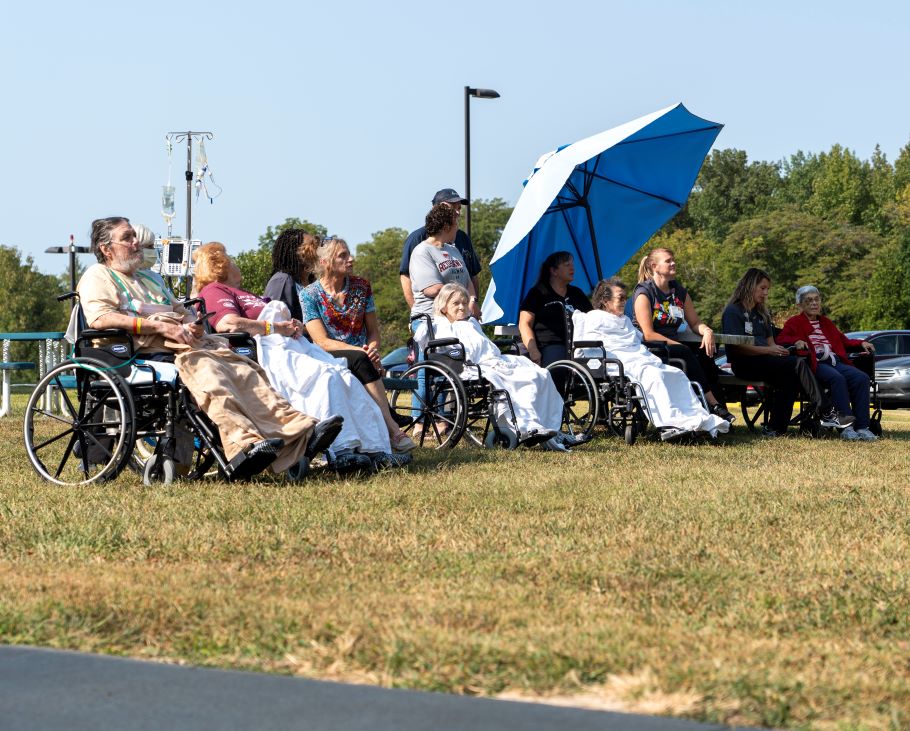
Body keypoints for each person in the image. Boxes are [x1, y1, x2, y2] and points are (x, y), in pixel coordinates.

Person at [77, 217, 342, 481]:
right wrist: (157, 327)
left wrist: (195, 325)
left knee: (246, 369)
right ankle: (244, 445)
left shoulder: (151, 279)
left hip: (184, 345)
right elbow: (100, 319)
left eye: (134, 236)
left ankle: (298, 434)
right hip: (136, 353)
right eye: (127, 238)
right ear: (106, 248)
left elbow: (185, 312)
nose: (136, 242)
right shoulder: (98, 276)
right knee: (209, 373)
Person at [194, 242, 411, 471]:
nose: (234, 263)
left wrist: (293, 325)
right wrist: (275, 328)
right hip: (267, 350)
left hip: (291, 343)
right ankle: (341, 451)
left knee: (345, 377)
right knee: (326, 377)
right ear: (220, 266)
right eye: (230, 259)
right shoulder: (215, 290)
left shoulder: (245, 294)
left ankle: (374, 449)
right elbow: (228, 323)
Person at [574, 278, 730, 441]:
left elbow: (639, 338)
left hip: (638, 357)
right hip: (617, 360)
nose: (624, 302)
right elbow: (587, 347)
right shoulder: (592, 318)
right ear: (605, 301)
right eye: (620, 297)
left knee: (675, 374)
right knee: (653, 376)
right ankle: (670, 423)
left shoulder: (625, 320)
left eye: (625, 298)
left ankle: (693, 419)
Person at [423, 283, 573, 451]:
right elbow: (455, 352)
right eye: (456, 303)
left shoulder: (471, 323)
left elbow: (486, 346)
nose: (462, 307)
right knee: (524, 380)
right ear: (443, 307)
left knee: (542, 374)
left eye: (465, 303)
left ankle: (552, 429)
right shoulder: (442, 326)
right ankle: (528, 426)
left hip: (494, 360)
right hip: (471, 367)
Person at [300, 237, 416, 453]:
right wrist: (363, 352)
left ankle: (385, 432)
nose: (351, 259)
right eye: (343, 255)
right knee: (361, 359)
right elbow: (322, 342)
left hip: (362, 357)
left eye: (348, 253)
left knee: (362, 360)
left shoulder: (362, 287)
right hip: (328, 355)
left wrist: (372, 349)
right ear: (325, 262)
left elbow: (373, 332)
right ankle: (393, 429)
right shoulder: (309, 295)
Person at [721, 268, 849, 437]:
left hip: (766, 361)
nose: (766, 293)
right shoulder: (733, 311)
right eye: (762, 288)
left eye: (767, 289)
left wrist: (781, 351)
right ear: (750, 285)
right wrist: (770, 350)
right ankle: (826, 410)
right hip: (744, 362)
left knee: (791, 376)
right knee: (796, 364)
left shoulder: (762, 313)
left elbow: (771, 343)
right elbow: (736, 347)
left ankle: (776, 429)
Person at [632, 247, 734, 423]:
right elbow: (648, 334)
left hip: (671, 345)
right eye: (668, 260)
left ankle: (718, 409)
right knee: (686, 352)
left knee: (705, 350)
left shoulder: (678, 292)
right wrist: (678, 345)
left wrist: (707, 331)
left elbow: (695, 323)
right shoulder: (644, 293)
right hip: (650, 347)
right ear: (654, 266)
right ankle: (713, 404)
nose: (673, 263)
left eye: (673, 259)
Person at [776, 285, 877, 441]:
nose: (814, 303)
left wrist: (861, 343)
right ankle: (846, 427)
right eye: (809, 300)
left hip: (835, 361)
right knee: (837, 378)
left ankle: (863, 427)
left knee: (861, 378)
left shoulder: (826, 323)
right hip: (815, 363)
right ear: (800, 305)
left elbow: (844, 341)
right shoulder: (794, 322)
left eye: (817, 299)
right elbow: (781, 339)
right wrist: (796, 341)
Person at [400, 188, 482, 318]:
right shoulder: (418, 241)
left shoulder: (460, 240)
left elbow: (471, 276)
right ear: (437, 209)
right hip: (435, 316)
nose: (457, 212)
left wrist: (472, 303)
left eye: (459, 208)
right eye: (452, 207)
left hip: (462, 313)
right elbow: (407, 277)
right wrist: (416, 313)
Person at [518, 251, 592, 367]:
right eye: (567, 265)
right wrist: (533, 350)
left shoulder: (577, 293)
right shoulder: (537, 293)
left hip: (579, 346)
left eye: (572, 265)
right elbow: (524, 324)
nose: (572, 268)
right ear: (554, 271)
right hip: (549, 344)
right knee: (558, 366)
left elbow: (592, 319)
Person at [263, 229, 320, 323]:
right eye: (311, 245)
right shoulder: (282, 280)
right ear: (294, 251)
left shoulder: (313, 284)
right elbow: (276, 323)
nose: (317, 249)